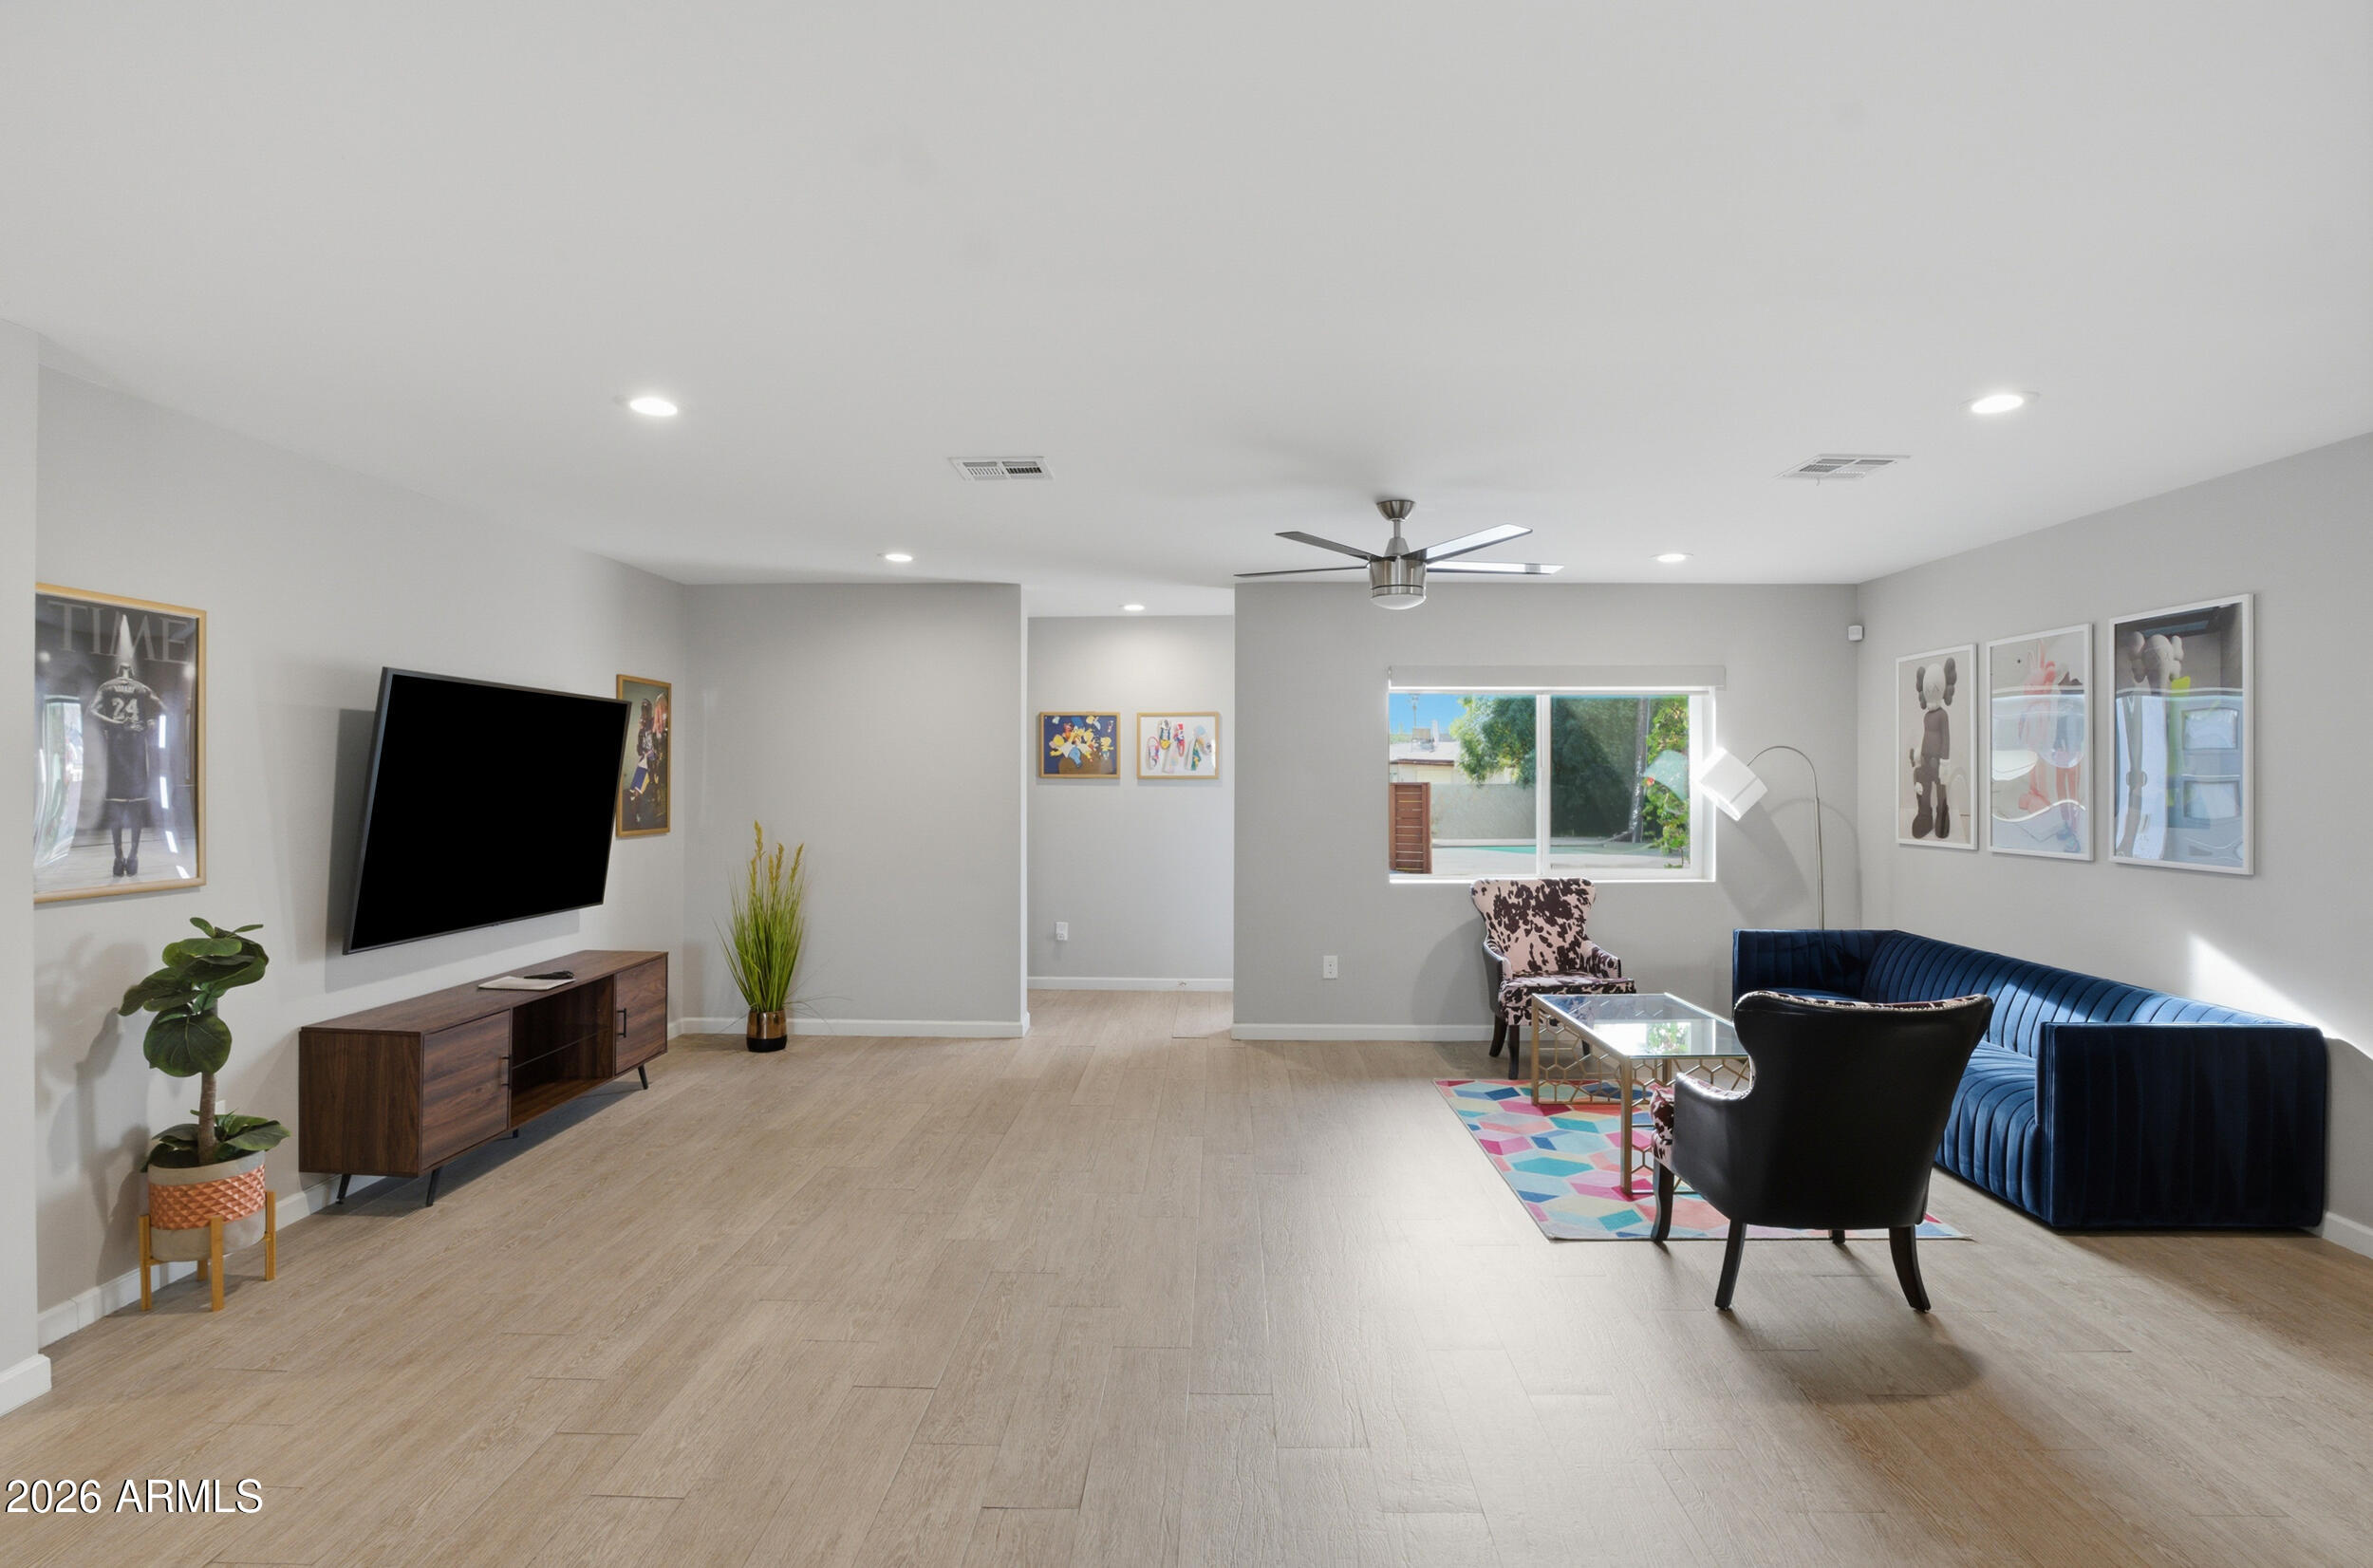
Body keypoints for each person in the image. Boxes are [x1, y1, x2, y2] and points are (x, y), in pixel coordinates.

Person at [89, 657, 159, 877]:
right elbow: (164, 707)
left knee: (121, 809)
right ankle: (129, 856)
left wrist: (115, 724)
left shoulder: (108, 686)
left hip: (123, 749)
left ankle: (122, 857)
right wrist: (151, 722)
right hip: (130, 750)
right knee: (128, 809)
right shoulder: (141, 688)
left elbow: (90, 711)